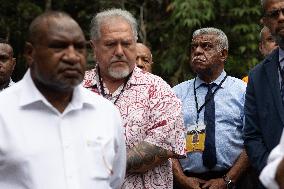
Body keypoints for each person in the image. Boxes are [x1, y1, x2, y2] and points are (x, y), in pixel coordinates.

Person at [0, 11, 126, 189]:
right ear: (30, 53)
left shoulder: (106, 113)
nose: (72, 57)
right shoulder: (4, 112)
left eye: (79, 47)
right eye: (58, 47)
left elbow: (114, 180)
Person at [83, 8, 185, 189]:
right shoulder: (74, 90)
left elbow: (159, 148)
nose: (120, 51)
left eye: (127, 44)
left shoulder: (159, 89)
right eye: (110, 44)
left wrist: (93, 163)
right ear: (94, 47)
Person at [172, 27, 249, 189]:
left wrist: (228, 180)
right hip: (187, 181)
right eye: (194, 47)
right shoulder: (175, 93)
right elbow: (166, 143)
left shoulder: (243, 91)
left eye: (206, 46)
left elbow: (253, 140)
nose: (197, 52)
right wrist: (182, 179)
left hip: (236, 180)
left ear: (223, 54)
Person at [244, 0, 284, 188]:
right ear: (265, 22)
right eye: (274, 14)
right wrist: (274, 172)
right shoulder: (257, 76)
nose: (281, 18)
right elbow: (252, 136)